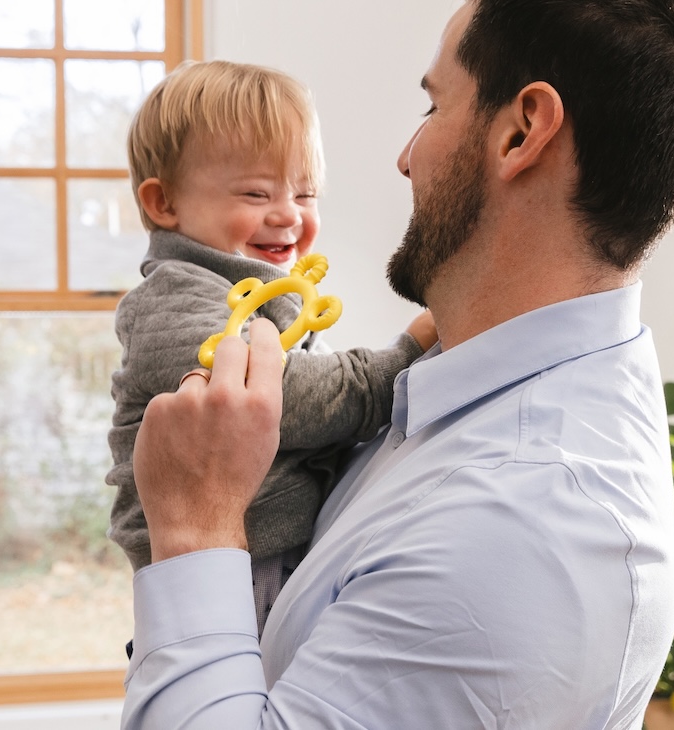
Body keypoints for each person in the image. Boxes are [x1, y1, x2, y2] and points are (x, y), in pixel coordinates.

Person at [121, 0, 674, 729]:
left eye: (433, 105)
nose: (406, 155)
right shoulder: (465, 397)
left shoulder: (519, 532)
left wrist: (196, 525)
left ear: (521, 131)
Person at [105, 59, 436, 634]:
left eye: (305, 193)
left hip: (277, 558)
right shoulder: (171, 300)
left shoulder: (265, 297)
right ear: (163, 204)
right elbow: (285, 400)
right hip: (226, 573)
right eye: (257, 193)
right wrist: (404, 357)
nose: (288, 214)